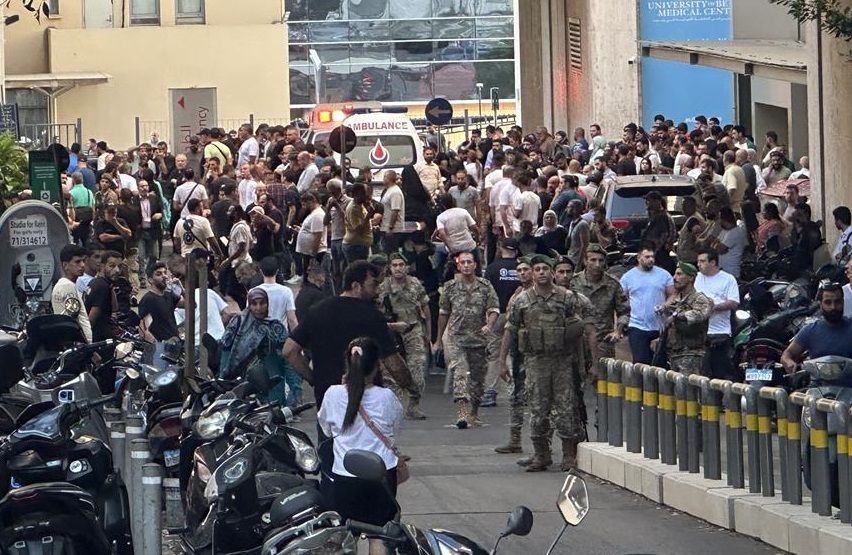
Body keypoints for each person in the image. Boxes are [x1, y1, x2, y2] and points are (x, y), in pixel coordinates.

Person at [502, 254, 596, 472]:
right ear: (532, 273)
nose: (542, 272)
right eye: (538, 269)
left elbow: (581, 331)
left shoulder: (568, 298)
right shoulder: (522, 300)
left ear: (552, 272)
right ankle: (541, 454)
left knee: (566, 408)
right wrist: (501, 361)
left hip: (563, 361)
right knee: (537, 409)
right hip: (535, 362)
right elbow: (510, 330)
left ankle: (569, 455)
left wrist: (586, 364)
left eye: (546, 268)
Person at [317, 337, 404, 555]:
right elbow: (394, 431)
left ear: (348, 364)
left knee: (346, 537)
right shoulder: (387, 397)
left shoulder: (333, 394)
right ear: (377, 366)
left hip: (344, 479)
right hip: (381, 478)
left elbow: (326, 430)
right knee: (380, 534)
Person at [284, 261, 411, 409]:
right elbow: (393, 363)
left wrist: (314, 379)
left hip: (328, 400)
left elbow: (290, 351)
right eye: (372, 285)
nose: (377, 291)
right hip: (366, 401)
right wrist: (409, 385)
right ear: (356, 286)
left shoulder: (317, 311)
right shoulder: (372, 316)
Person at [433, 251, 499, 428]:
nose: (467, 265)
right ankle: (461, 412)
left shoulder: (485, 286)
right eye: (463, 262)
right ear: (458, 266)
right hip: (457, 338)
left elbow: (494, 308)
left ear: (475, 265)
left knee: (478, 380)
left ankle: (474, 412)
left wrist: (489, 325)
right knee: (460, 373)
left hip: (479, 339)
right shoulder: (450, 287)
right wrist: (439, 340)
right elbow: (443, 314)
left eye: (470, 262)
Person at [377, 252, 431, 420]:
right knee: (390, 374)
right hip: (390, 334)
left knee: (417, 370)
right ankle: (395, 407)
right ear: (389, 268)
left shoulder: (415, 284)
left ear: (406, 267)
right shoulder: (382, 288)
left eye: (401, 265)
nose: (398, 268)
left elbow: (425, 308)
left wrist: (428, 333)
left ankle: (413, 405)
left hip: (412, 330)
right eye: (395, 265)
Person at [219, 287, 289, 402]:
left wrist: (296, 391)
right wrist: (222, 381)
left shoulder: (275, 327)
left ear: (268, 304)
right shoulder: (238, 323)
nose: (258, 308)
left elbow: (287, 360)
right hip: (242, 385)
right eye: (254, 304)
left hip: (272, 384)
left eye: (262, 303)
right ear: (249, 305)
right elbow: (226, 351)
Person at [571, 244, 630, 372]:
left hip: (603, 341)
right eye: (593, 260)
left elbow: (624, 311)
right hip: (577, 341)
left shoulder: (612, 284)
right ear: (585, 261)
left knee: (602, 380)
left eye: (601, 260)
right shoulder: (573, 282)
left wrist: (618, 331)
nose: (597, 264)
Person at [651, 262, 713, 375]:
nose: (675, 278)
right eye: (675, 274)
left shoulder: (700, 299)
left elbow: (700, 314)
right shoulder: (676, 300)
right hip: (673, 354)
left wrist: (676, 316)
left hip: (690, 354)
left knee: (688, 390)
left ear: (691, 278)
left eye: (679, 274)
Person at [620, 243, 673, 364]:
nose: (651, 260)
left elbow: (673, 295)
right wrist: (621, 325)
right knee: (641, 362)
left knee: (659, 363)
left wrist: (665, 306)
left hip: (659, 326)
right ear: (639, 258)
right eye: (647, 257)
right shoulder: (627, 277)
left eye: (652, 257)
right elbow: (622, 301)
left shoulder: (664, 275)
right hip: (637, 325)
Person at [782, 284, 852, 372]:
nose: (833, 307)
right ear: (820, 304)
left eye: (837, 302)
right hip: (817, 384)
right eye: (828, 302)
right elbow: (788, 353)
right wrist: (788, 362)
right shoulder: (810, 330)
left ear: (843, 302)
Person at [695, 248, 740, 380]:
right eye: (698, 261)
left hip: (720, 332)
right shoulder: (696, 278)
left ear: (713, 262)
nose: (699, 264)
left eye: (702, 261)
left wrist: (713, 307)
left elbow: (733, 302)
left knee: (721, 372)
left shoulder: (728, 279)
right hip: (699, 331)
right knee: (703, 372)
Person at [52, 244, 93, 343]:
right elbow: (74, 319)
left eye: (83, 261)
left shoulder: (65, 285)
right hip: (78, 343)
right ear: (65, 265)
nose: (82, 265)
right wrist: (87, 344)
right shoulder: (67, 286)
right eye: (77, 262)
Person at [138, 262, 182, 342]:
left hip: (175, 344)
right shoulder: (148, 299)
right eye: (159, 274)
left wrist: (181, 289)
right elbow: (143, 331)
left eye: (165, 273)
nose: (164, 276)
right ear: (150, 280)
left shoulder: (169, 295)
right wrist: (159, 346)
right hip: (162, 348)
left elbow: (192, 306)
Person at [85, 250, 122, 342]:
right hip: (98, 340)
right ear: (102, 266)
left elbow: (115, 308)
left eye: (119, 266)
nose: (117, 270)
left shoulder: (98, 282)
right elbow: (91, 320)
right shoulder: (102, 287)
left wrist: (111, 286)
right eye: (112, 266)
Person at [708, 207, 747, 279]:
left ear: (724, 219)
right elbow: (713, 246)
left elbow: (719, 250)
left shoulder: (735, 232)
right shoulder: (724, 231)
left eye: (719, 218)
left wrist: (717, 245)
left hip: (731, 273)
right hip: (722, 272)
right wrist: (716, 245)